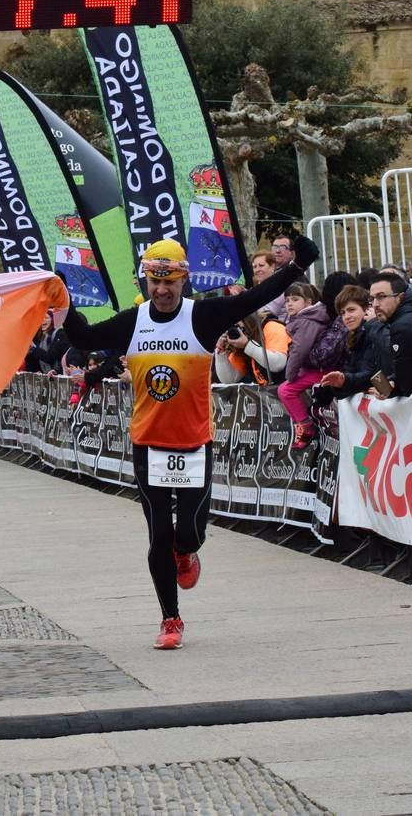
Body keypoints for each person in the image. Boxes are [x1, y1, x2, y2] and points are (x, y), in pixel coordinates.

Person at [61, 236, 320, 651]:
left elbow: (256, 295)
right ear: (146, 281)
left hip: (194, 443)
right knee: (158, 535)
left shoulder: (203, 317)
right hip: (148, 443)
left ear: (184, 280)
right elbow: (86, 338)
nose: (162, 290)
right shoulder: (134, 320)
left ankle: (188, 552)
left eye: (170, 282)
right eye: (154, 282)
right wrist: (61, 299)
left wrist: (296, 267)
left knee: (189, 534)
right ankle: (170, 618)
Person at [317, 285, 395, 400]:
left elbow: (371, 375)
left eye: (351, 310)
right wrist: (339, 383)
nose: (346, 317)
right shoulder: (354, 336)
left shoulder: (375, 333)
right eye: (342, 313)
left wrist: (344, 381)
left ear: (368, 309)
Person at [278, 282, 331, 449]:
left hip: (321, 370)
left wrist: (290, 375)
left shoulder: (308, 320)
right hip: (311, 368)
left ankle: (307, 427)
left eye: (295, 299)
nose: (289, 304)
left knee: (286, 390)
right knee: (285, 389)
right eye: (287, 301)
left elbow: (299, 349)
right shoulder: (300, 319)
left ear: (308, 302)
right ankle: (301, 423)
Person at [213, 309, 289, 386]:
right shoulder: (239, 342)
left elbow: (278, 364)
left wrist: (247, 345)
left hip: (293, 389)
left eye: (236, 325)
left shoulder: (272, 327)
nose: (233, 330)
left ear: (247, 320)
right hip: (272, 393)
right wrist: (221, 352)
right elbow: (230, 379)